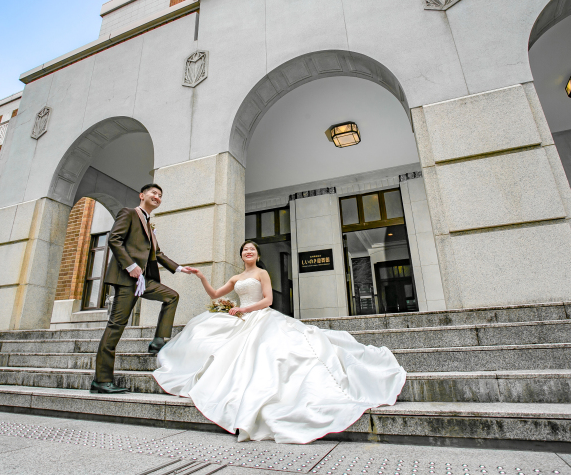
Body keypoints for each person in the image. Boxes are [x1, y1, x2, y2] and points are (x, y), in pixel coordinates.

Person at [153, 240, 407, 444]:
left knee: (272, 350)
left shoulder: (262, 273)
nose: (248, 252)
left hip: (260, 316)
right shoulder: (236, 277)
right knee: (206, 331)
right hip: (241, 319)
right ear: (241, 255)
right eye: (245, 250)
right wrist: (201, 277)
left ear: (257, 254)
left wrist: (244, 309)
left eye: (252, 249)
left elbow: (268, 300)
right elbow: (215, 294)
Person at [91, 183, 191, 394]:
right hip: (126, 279)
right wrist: (130, 265)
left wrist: (180, 268)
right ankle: (101, 380)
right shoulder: (128, 213)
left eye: (160, 195)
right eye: (154, 193)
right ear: (142, 195)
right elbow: (114, 239)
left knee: (171, 296)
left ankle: (158, 341)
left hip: (143, 281)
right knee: (116, 327)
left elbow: (158, 253)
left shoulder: (149, 224)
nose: (157, 196)